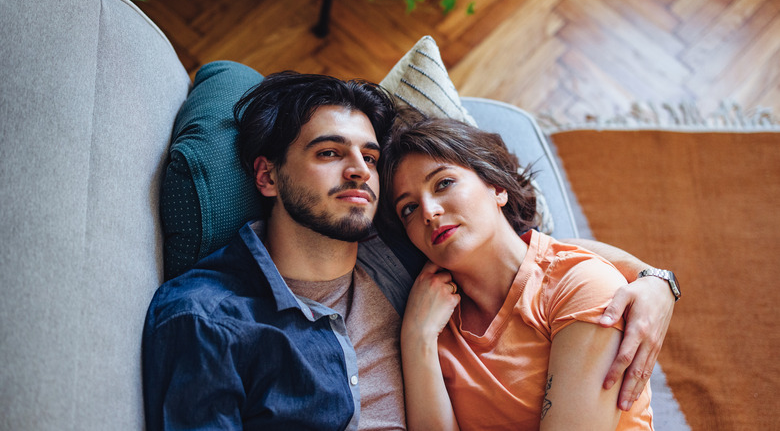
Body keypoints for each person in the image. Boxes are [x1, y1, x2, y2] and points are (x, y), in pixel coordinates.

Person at [142, 71, 676, 430]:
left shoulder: (406, 262)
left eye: (370, 158)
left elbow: (537, 255)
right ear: (267, 175)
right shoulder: (207, 317)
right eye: (329, 152)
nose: (358, 171)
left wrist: (655, 279)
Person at [377, 116, 657, 430]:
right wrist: (417, 341)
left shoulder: (581, 283)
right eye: (409, 208)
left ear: (496, 187)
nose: (429, 211)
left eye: (443, 183)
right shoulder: (430, 322)